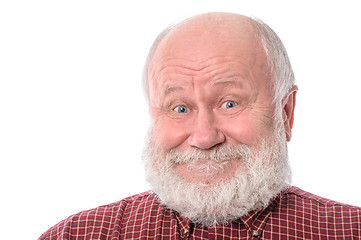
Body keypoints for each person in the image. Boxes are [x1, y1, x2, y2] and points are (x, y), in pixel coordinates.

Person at [39, 12, 361, 239]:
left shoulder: (350, 232)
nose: (205, 137)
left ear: (286, 113)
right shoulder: (74, 236)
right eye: (180, 108)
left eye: (230, 103)